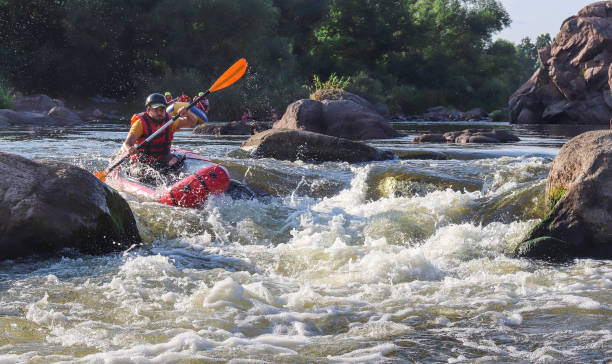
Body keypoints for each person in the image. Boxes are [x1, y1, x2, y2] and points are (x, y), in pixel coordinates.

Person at [121, 93, 200, 185]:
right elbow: (127, 143)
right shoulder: (140, 124)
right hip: (142, 160)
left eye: (162, 109)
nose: (159, 112)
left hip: (162, 157)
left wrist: (187, 113)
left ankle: (177, 184)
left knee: (176, 163)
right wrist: (129, 149)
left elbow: (192, 121)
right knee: (145, 174)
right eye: (155, 109)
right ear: (148, 109)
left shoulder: (170, 121)